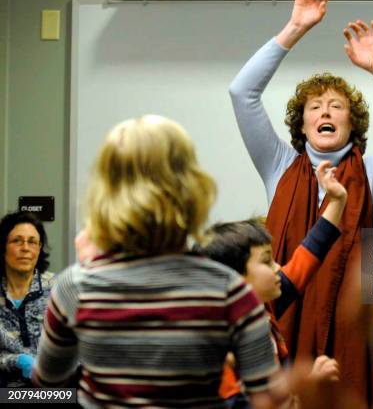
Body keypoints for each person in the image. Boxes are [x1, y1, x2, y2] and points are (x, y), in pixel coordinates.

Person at [229, 0, 373, 406]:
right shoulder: (278, 165)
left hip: (352, 327)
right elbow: (242, 93)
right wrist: (295, 27)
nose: (326, 112)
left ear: (353, 123)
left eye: (336, 106)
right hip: (283, 319)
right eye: (315, 106)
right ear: (302, 123)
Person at [33, 115, 285, 408]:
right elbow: (269, 400)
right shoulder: (231, 291)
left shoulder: (73, 287)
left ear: (105, 194)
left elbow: (47, 386)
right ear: (193, 188)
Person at [202, 161, 344, 407]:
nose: (278, 268)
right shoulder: (222, 345)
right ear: (236, 280)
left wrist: (337, 201)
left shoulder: (264, 308)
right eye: (267, 261)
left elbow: (308, 256)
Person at [0, 211, 53, 387]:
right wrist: (16, 361)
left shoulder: (60, 289)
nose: (25, 248)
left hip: (53, 391)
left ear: (39, 248)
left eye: (32, 242)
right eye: (17, 240)